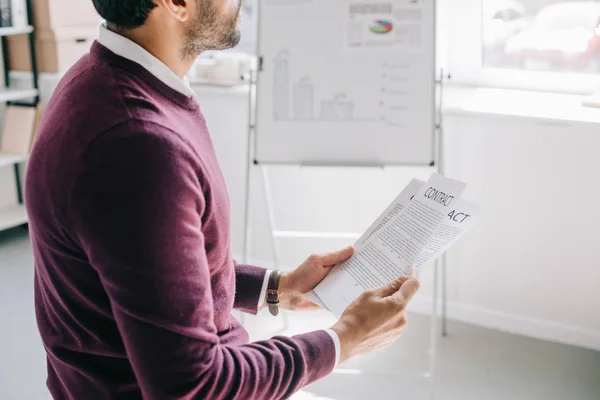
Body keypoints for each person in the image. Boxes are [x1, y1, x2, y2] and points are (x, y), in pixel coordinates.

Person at [24, 0, 421, 399]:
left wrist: (276, 288)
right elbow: (192, 386)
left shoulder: (99, 79)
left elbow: (153, 275)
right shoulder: (139, 143)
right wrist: (343, 341)